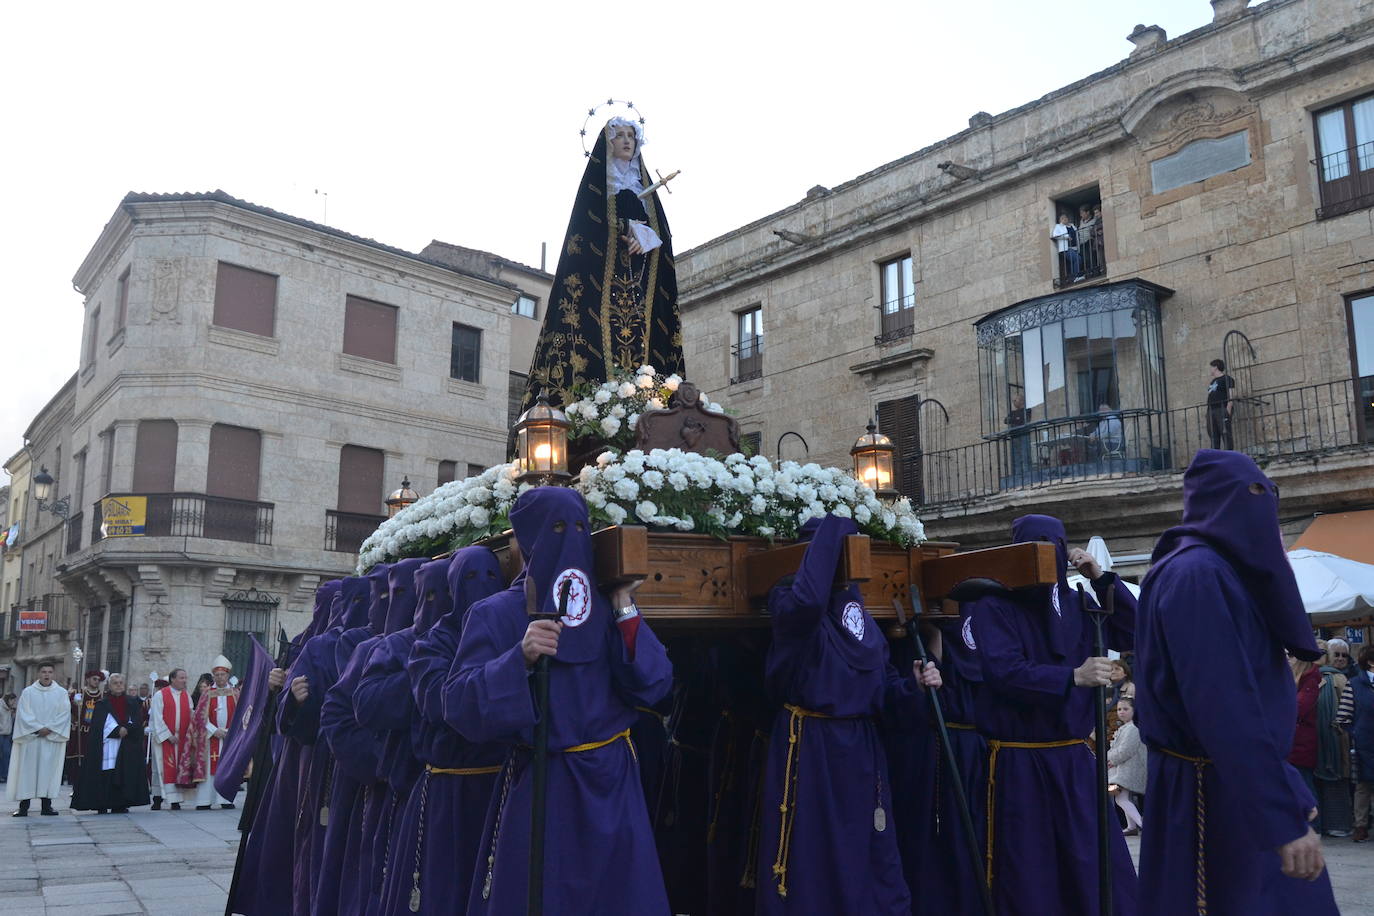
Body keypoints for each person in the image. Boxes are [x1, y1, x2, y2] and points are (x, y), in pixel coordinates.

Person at [443, 487, 674, 914]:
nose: (570, 539)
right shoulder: (496, 613)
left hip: (611, 785)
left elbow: (655, 686)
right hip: (543, 787)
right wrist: (520, 658)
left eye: (580, 528)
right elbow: (459, 704)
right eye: (556, 528)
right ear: (527, 538)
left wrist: (625, 606)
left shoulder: (611, 607)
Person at [1135, 449, 1338, 913]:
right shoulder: (1197, 575)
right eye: (1250, 496)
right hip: (1213, 793)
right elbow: (1224, 708)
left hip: (1237, 784)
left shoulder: (1214, 572)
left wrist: (1283, 787)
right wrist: (1278, 816)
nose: (1262, 508)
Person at [754, 514, 941, 913]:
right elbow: (807, 601)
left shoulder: (862, 615)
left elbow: (884, 690)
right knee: (813, 855)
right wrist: (839, 524)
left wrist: (914, 686)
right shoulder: (787, 599)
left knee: (868, 854)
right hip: (811, 749)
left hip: (860, 750)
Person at [964, 514, 1139, 915]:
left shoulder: (1079, 603)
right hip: (1019, 761)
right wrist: (1071, 676)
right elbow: (1002, 671)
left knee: (1089, 861)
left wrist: (1102, 579)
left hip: (1075, 761)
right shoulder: (994, 605)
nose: (1049, 555)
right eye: (1036, 546)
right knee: (1029, 866)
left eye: (1055, 545)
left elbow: (1132, 631)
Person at [522, 116, 684, 410]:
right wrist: (623, 228)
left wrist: (646, 235)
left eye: (630, 136)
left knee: (644, 349)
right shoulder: (595, 193)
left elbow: (664, 237)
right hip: (598, 295)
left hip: (639, 291)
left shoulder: (645, 190)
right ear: (607, 143)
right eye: (619, 135)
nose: (625, 140)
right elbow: (586, 233)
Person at [378, 548, 505, 915]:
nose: (481, 589)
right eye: (469, 580)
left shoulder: (507, 627)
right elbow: (438, 704)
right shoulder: (432, 643)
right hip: (448, 791)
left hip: (499, 789)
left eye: (491, 579)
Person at [70, 673, 150, 813]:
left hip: (126, 744)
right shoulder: (102, 704)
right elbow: (99, 725)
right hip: (108, 745)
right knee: (107, 772)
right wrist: (117, 730)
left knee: (124, 773)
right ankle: (102, 803)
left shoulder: (132, 702)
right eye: (115, 683)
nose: (118, 685)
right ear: (109, 685)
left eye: (120, 683)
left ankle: (120, 803)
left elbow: (136, 721)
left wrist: (127, 729)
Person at [7, 663, 71, 816]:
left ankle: (46, 806)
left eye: (49, 672)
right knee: (27, 772)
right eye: (43, 672)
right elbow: (23, 713)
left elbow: (64, 713)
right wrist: (37, 728)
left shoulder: (61, 693)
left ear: (54, 674)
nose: (46, 675)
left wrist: (49, 728)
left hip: (50, 738)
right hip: (32, 739)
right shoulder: (28, 692)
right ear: (38, 674)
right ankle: (24, 807)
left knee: (48, 771)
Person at [183, 656, 239, 810]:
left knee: (227, 767)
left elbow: (240, 716)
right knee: (208, 769)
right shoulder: (207, 693)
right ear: (214, 676)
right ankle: (204, 800)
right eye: (217, 675)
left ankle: (225, 799)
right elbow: (200, 717)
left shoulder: (235, 693)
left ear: (227, 676)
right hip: (209, 738)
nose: (220, 677)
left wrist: (228, 731)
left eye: (223, 674)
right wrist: (214, 731)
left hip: (229, 737)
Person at [1337, 644, 1374, 842]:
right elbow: (1343, 717)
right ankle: (1360, 825)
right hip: (1364, 743)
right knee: (1363, 786)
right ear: (1370, 662)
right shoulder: (1354, 684)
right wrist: (1357, 733)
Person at [149, 668, 192, 810]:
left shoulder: (186, 695)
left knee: (178, 769)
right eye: (181, 678)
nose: (184, 680)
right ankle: (157, 799)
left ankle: (175, 800)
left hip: (181, 740)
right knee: (161, 769)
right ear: (173, 679)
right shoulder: (160, 695)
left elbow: (191, 714)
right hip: (165, 739)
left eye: (185, 678)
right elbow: (156, 717)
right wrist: (168, 735)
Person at [1107, 696, 1145, 835]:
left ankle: (1141, 824)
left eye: (1125, 709)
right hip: (1123, 769)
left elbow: (1125, 750)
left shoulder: (1133, 728)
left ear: (1134, 710)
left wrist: (1109, 759)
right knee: (1122, 797)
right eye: (1119, 709)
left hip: (1128, 769)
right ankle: (1132, 826)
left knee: (1120, 798)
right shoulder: (1126, 727)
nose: (1121, 712)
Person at [66, 669, 105, 785]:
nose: (96, 682)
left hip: (94, 733)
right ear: (88, 679)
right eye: (94, 679)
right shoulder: (78, 694)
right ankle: (74, 783)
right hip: (79, 731)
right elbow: (68, 711)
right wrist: (73, 702)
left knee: (91, 759)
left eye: (98, 680)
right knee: (76, 758)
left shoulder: (102, 696)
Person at [1206, 359, 1235, 450]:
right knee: (1213, 436)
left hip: (1221, 409)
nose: (1210, 370)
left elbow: (1231, 394)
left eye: (1211, 367)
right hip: (1211, 411)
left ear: (1215, 367)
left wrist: (1228, 410)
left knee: (1226, 434)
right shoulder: (1212, 382)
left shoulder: (1227, 379)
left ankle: (1229, 457)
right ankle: (1216, 458)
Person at [1051, 211, 1081, 282]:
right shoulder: (1058, 226)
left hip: (1075, 247)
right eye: (1062, 218)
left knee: (1073, 261)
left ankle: (1073, 278)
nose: (1065, 219)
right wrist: (1066, 237)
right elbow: (1055, 235)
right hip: (1065, 248)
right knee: (1077, 259)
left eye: (1066, 217)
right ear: (1060, 220)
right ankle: (1076, 277)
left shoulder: (1072, 225)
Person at [0, 693, 14, 782]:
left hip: (7, 734)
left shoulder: (9, 709)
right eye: (12, 700)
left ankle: (4, 775)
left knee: (7, 754)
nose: (13, 702)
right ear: (8, 699)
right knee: (2, 754)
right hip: (1, 734)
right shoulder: (1, 707)